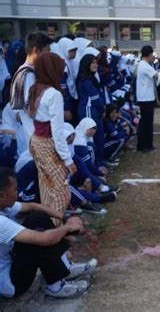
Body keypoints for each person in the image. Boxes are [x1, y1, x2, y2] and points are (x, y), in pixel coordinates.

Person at [0, 167, 97, 299]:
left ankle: (65, 268)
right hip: (12, 283)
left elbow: (34, 206)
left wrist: (65, 218)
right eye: (15, 189)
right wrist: (67, 227)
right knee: (38, 238)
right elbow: (44, 239)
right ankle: (55, 287)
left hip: (13, 262)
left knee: (37, 217)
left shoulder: (4, 206)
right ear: (1, 195)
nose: (17, 193)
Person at [28, 52, 76, 226]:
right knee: (61, 193)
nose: (62, 71)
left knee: (46, 189)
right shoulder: (54, 94)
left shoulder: (35, 88)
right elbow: (57, 131)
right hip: (48, 144)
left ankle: (49, 228)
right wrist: (68, 159)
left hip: (36, 141)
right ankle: (54, 232)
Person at [9, 33, 52, 143]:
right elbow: (32, 108)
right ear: (36, 51)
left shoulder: (24, 72)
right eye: (47, 51)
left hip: (35, 133)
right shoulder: (28, 75)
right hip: (37, 134)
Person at [77, 53, 106, 165]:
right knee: (91, 138)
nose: (95, 65)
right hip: (88, 111)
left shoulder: (90, 78)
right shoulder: (86, 80)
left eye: (96, 63)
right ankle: (94, 164)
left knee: (98, 137)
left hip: (93, 110)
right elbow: (94, 97)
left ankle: (98, 162)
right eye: (92, 63)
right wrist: (102, 109)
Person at [136, 45, 160, 152]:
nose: (153, 56)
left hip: (144, 97)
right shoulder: (144, 65)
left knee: (144, 123)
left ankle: (142, 145)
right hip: (146, 98)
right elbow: (156, 75)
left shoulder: (143, 64)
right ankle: (147, 146)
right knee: (147, 123)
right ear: (149, 54)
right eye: (152, 54)